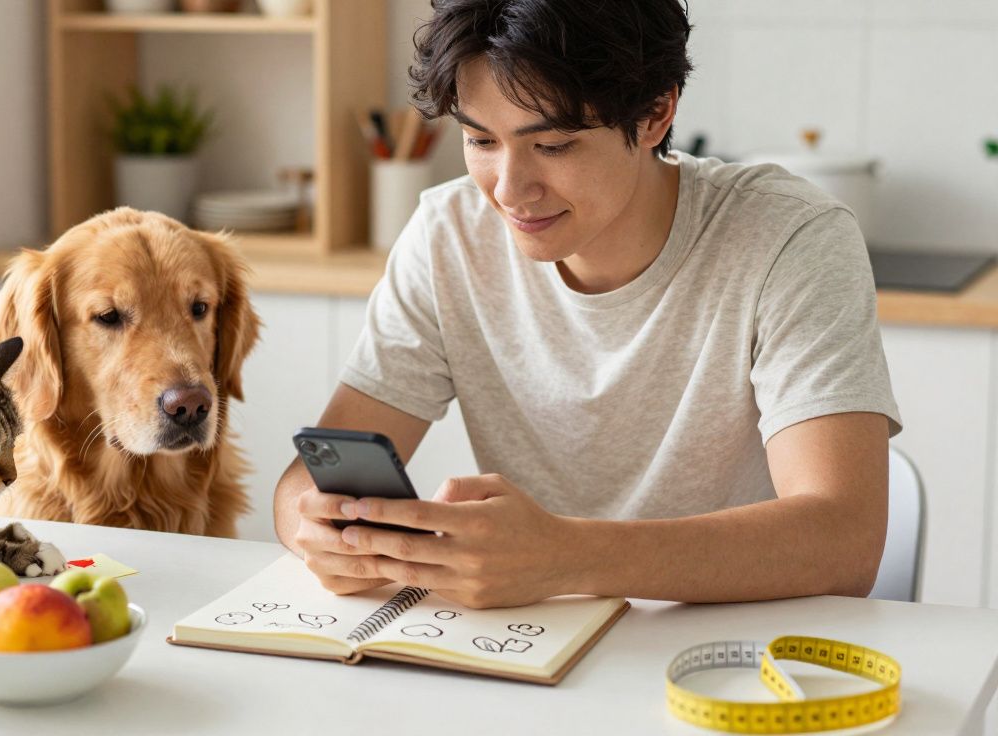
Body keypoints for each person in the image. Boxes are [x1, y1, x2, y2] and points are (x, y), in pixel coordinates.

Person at [273, 0, 900, 609]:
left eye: (553, 145)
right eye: (480, 140)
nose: (510, 191)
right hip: (539, 647)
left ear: (655, 114)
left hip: (730, 651)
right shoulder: (447, 236)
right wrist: (321, 531)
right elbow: (307, 481)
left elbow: (843, 541)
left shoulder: (789, 237)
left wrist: (565, 557)